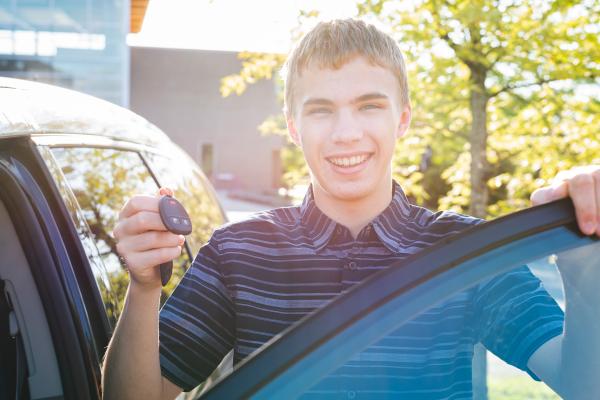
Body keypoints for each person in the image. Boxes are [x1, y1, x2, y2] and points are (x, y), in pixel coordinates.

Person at [102, 19, 600, 399]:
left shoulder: (467, 248)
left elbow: (581, 385)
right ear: (293, 128)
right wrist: (145, 288)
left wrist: (585, 274)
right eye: (321, 110)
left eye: (369, 105)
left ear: (402, 119)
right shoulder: (238, 251)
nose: (346, 133)